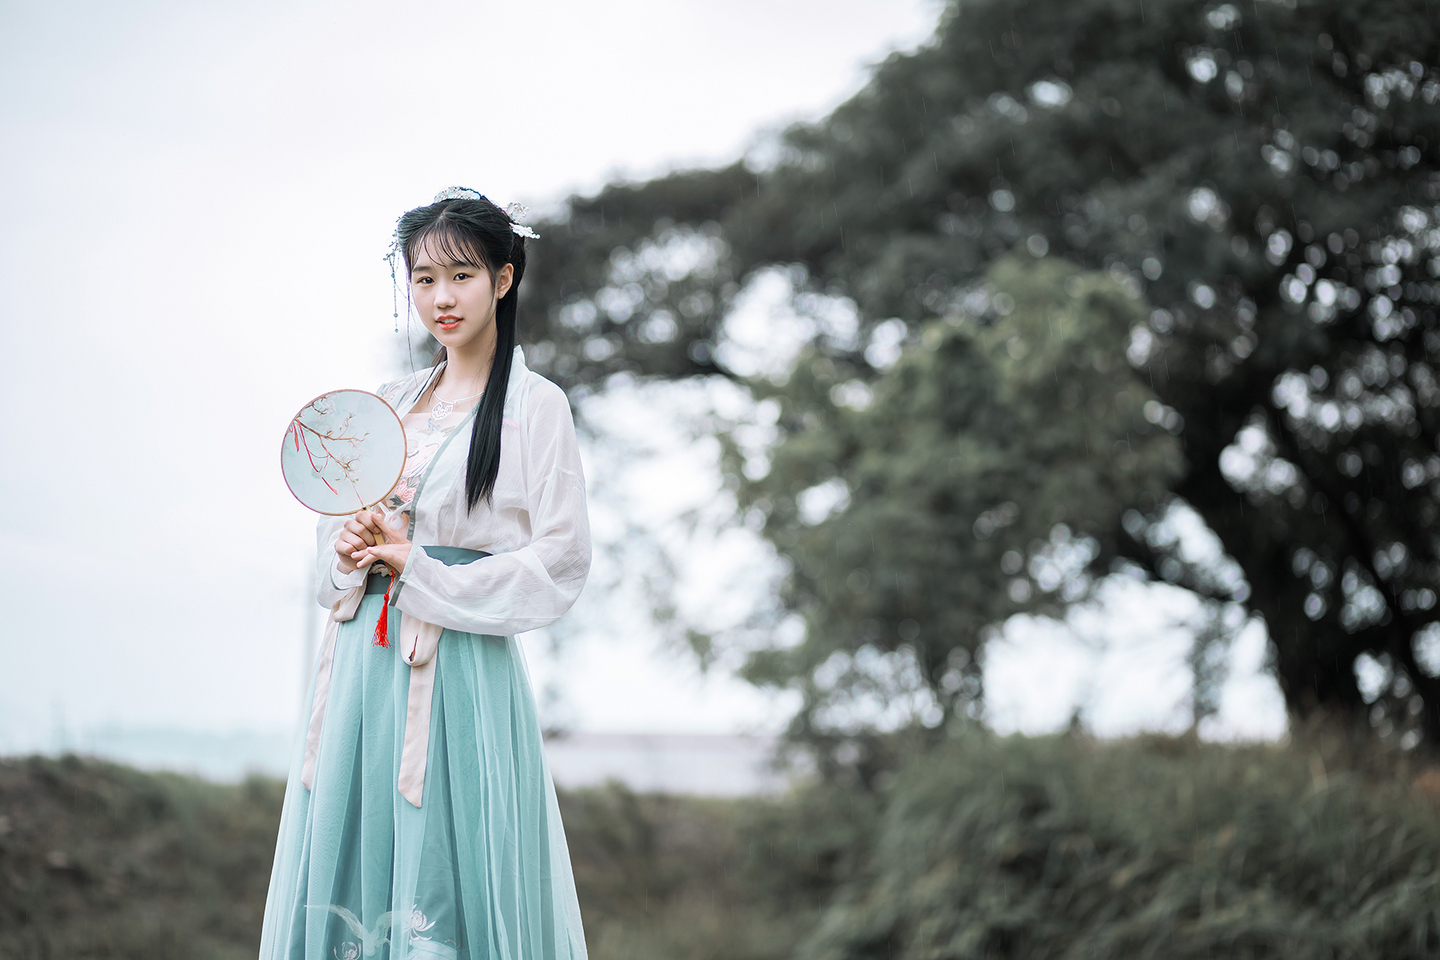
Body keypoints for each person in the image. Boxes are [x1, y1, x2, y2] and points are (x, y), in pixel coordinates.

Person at [260, 187, 591, 959]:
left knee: (447, 864)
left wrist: (428, 573)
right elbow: (332, 538)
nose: (441, 299)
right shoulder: (388, 404)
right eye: (424, 279)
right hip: (360, 675)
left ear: (504, 280)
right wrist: (350, 550)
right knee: (356, 865)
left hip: (459, 674)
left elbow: (561, 561)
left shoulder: (535, 408)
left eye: (462, 276)